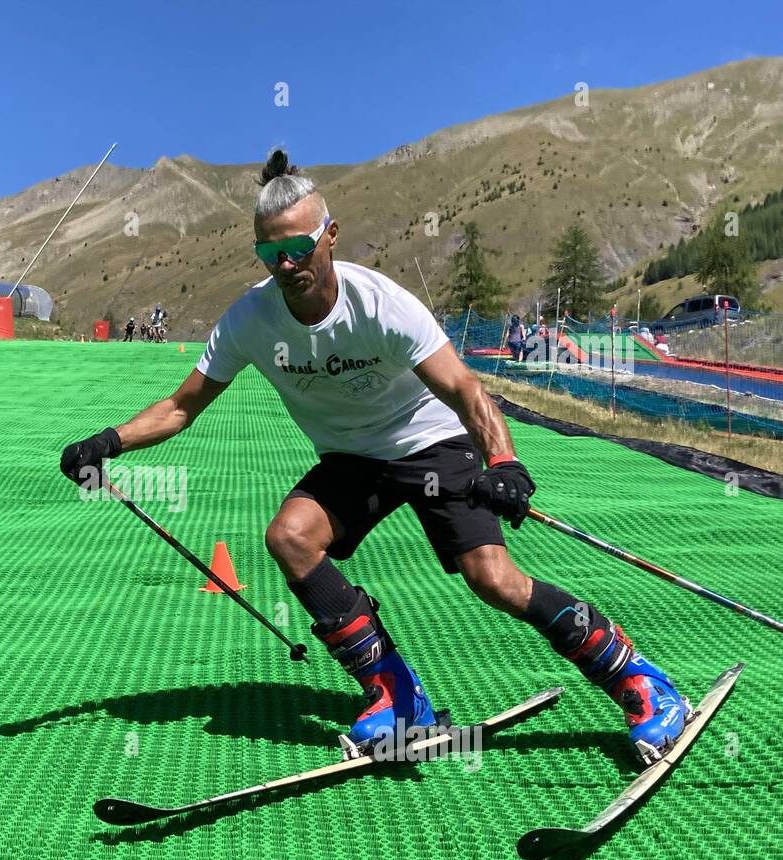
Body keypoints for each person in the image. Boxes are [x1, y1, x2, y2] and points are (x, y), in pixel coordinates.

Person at [60, 149, 689, 766]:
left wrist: (504, 465)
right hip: (353, 457)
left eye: (298, 248)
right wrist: (108, 442)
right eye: (270, 253)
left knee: (493, 579)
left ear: (329, 235)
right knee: (290, 537)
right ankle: (394, 693)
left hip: (430, 441)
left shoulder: (381, 304)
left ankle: (639, 683)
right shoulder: (250, 319)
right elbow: (180, 407)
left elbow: (466, 389)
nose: (287, 265)